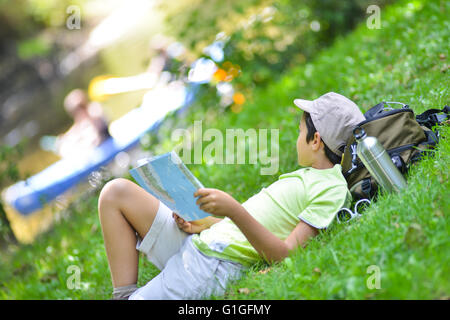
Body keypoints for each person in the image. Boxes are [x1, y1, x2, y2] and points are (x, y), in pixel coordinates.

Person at [97, 92, 365, 300]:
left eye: (299, 132)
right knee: (115, 193)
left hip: (213, 264)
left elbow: (285, 255)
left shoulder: (331, 188)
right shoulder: (310, 176)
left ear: (315, 140)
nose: (297, 138)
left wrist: (233, 210)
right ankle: (125, 293)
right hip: (203, 240)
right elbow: (261, 222)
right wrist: (204, 223)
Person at [55, 89, 110, 158]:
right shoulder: (81, 123)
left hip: (107, 149)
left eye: (79, 110)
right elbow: (76, 129)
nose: (78, 115)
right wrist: (66, 138)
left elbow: (95, 138)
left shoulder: (95, 112)